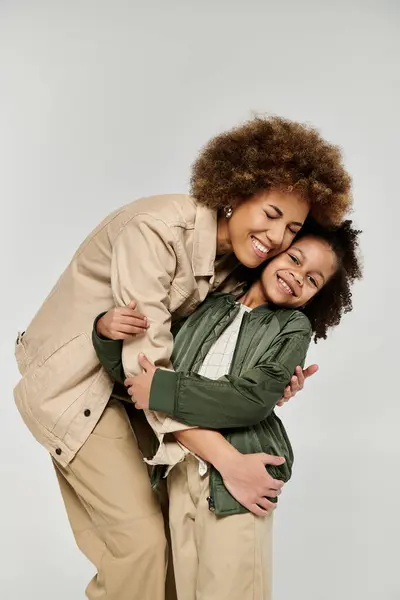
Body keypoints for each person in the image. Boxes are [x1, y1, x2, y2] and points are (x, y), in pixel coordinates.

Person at [13, 116, 352, 600]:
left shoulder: (239, 265)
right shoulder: (155, 231)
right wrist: (227, 459)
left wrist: (272, 378)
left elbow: (203, 355)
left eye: (292, 229)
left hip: (129, 394)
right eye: (271, 213)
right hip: (77, 392)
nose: (276, 237)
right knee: (140, 547)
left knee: (172, 549)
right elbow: (148, 372)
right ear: (237, 190)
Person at [94, 220, 362, 600]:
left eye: (313, 280)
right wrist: (106, 334)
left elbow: (251, 398)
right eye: (295, 258)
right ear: (273, 252)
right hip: (178, 471)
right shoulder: (208, 305)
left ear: (315, 298)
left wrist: (165, 389)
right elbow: (141, 375)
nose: (297, 276)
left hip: (237, 482)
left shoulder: (293, 328)